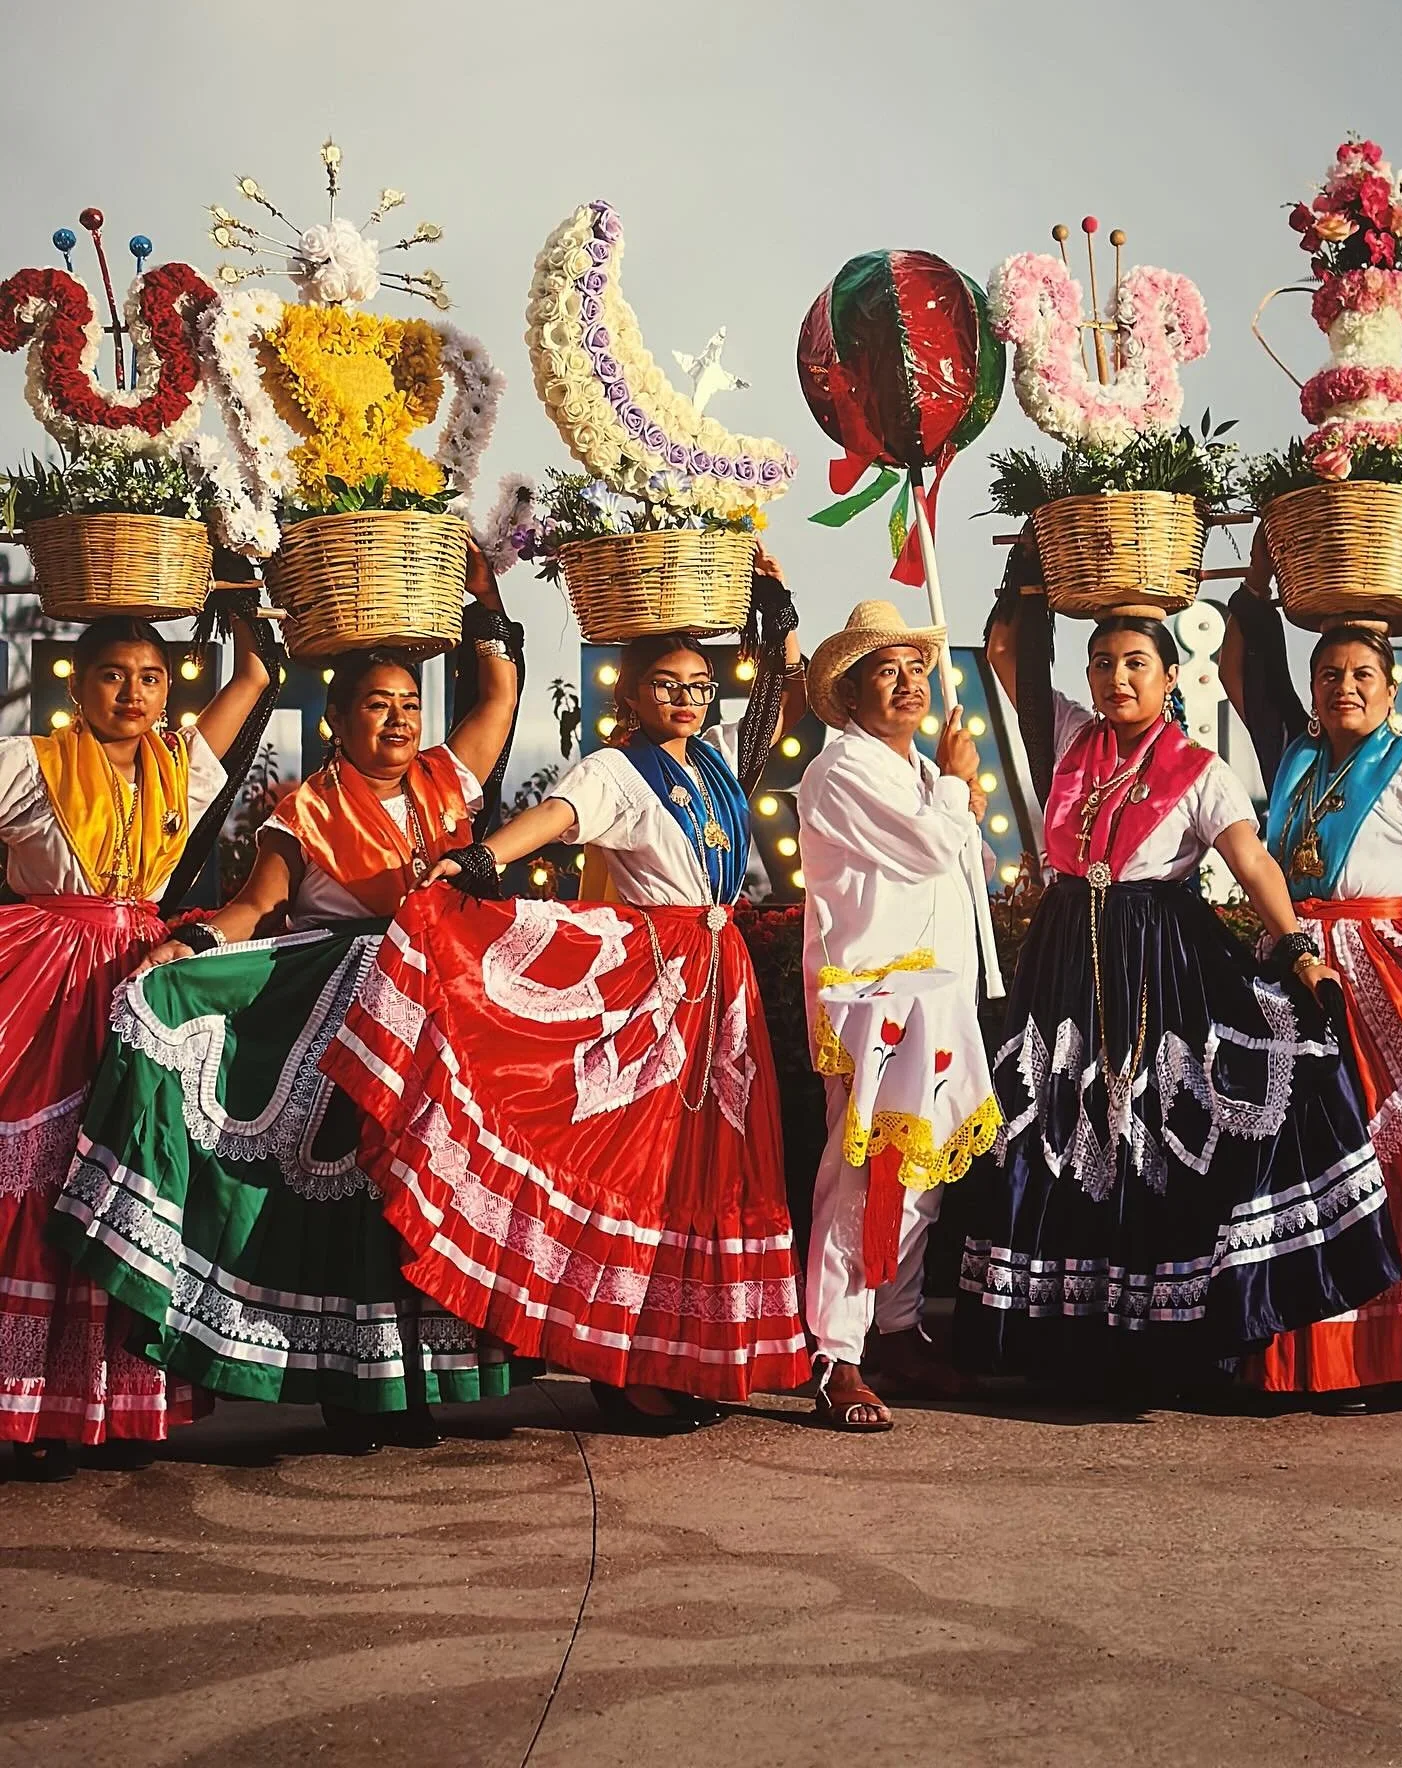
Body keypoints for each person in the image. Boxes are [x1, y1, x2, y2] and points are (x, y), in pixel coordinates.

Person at [322, 552, 814, 1434]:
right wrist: (480, 860)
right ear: (630, 694)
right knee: (636, 1165)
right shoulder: (616, 769)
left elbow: (775, 708)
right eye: (667, 686)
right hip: (656, 983)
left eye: (701, 686)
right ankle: (617, 1360)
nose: (689, 700)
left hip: (719, 984)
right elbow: (554, 819)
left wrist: (772, 610)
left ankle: (676, 1349)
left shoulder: (712, 767)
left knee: (703, 1172)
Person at [52, 543, 519, 1454]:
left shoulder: (442, 778)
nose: (396, 718)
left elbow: (496, 697)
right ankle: (356, 1393)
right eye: (375, 704)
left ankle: (418, 1380)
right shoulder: (303, 808)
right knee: (355, 1200)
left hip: (437, 1007)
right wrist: (188, 945)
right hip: (341, 1016)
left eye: (409, 704)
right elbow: (255, 907)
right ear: (336, 719)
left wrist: (486, 601)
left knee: (435, 1187)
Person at [952, 540, 1401, 1399]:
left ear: (1169, 678)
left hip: (1158, 963)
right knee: (1056, 1135)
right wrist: (1027, 579)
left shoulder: (1203, 771)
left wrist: (1300, 952)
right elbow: (1006, 653)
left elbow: (1255, 864)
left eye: (1135, 664)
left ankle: (1160, 1349)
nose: (1117, 678)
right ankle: (1055, 1345)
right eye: (1102, 664)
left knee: (1146, 1141)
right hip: (1062, 961)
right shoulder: (1070, 741)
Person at [0, 610, 272, 1478]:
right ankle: (31, 1404)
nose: (131, 692)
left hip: (138, 980)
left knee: (130, 1174)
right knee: (44, 1177)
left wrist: (240, 574)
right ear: (73, 687)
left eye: (149, 678)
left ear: (167, 693)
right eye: (112, 675)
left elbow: (255, 678)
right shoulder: (26, 764)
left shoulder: (175, 771)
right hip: (46, 979)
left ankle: (113, 1400)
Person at [1222, 531, 1402, 1400]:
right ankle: (1308, 1346)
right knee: (1300, 1156)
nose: (1344, 687)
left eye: (1362, 677)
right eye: (1329, 676)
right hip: (1295, 963)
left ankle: (1401, 1349)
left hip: (1376, 964)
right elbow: (1250, 673)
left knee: (1388, 1147)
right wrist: (1258, 583)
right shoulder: (1299, 760)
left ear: (1392, 692)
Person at [797, 601, 1001, 1431]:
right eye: (888, 671)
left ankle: (898, 1327)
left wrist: (954, 798)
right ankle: (835, 1353)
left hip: (938, 994)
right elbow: (924, 849)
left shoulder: (915, 771)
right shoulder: (842, 768)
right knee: (863, 1178)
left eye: (917, 669)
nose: (910, 683)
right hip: (874, 994)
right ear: (848, 694)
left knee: (921, 1176)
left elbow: (961, 861)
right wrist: (957, 782)